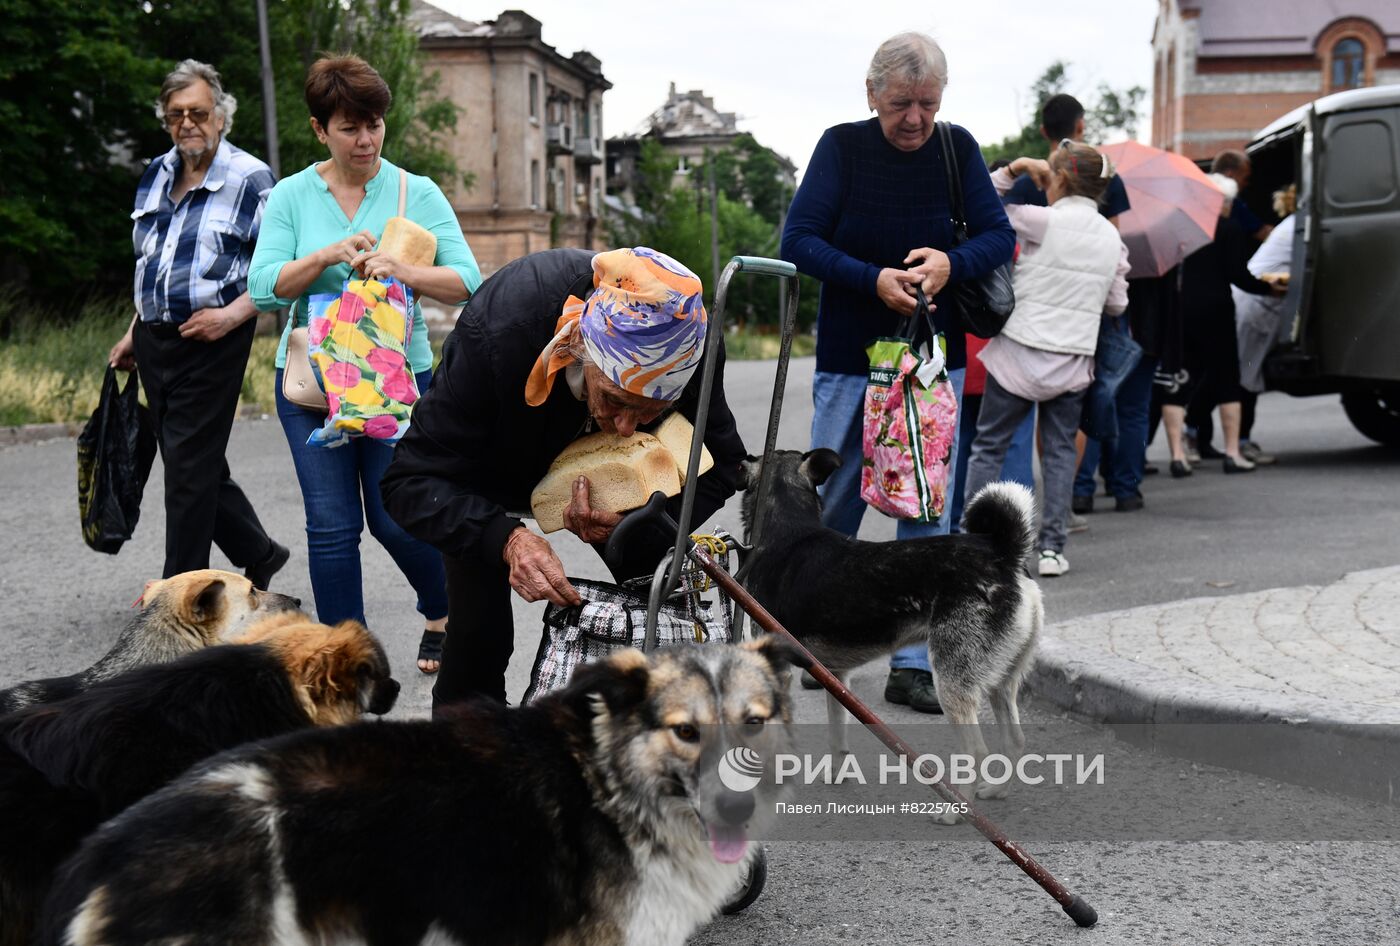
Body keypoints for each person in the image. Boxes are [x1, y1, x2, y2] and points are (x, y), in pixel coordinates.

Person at [380, 247, 745, 712]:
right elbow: (410, 478)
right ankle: (467, 747)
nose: (626, 426)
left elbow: (724, 464)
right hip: (492, 461)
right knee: (479, 636)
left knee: (663, 609)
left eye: (648, 411)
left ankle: (657, 731)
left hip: (619, 478)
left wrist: (639, 520)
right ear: (582, 350)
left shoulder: (688, 342)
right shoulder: (501, 329)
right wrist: (506, 539)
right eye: (615, 399)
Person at [780, 32, 1015, 713]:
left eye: (928, 104)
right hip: (852, 360)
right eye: (900, 104)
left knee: (928, 509)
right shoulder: (841, 147)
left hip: (932, 364)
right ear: (871, 95)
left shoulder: (957, 147)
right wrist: (871, 279)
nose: (915, 119)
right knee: (833, 501)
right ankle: (822, 640)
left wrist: (950, 262)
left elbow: (997, 236)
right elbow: (798, 241)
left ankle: (914, 664)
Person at [247, 56, 481, 674]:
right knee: (330, 526)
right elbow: (264, 288)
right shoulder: (292, 195)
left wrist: (402, 268)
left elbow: (468, 282)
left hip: (397, 383)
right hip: (314, 385)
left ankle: (443, 607)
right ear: (319, 129)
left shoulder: (415, 192)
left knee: (396, 517)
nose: (366, 139)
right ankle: (346, 662)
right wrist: (325, 255)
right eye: (349, 127)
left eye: (374, 124)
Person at [107, 60, 288, 588]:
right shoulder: (155, 173)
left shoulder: (252, 179)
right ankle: (259, 551)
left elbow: (282, 270)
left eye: (199, 113)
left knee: (187, 470)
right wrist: (134, 330)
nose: (187, 123)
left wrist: (231, 316)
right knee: (190, 460)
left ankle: (178, 596)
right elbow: (152, 263)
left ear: (221, 116)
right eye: (176, 114)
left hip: (216, 340)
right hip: (154, 340)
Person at [962, 141, 1130, 578]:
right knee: (1058, 454)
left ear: (1058, 178)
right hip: (1072, 361)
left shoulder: (1039, 220)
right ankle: (1052, 549)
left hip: (1018, 353)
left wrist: (1014, 169)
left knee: (988, 446)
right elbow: (1117, 303)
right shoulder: (1112, 238)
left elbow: (979, 203)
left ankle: (973, 543)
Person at [1160, 174, 1282, 478]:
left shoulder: (1178, 229)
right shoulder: (1227, 228)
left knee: (1180, 379)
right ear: (1221, 201)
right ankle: (1232, 453)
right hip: (1217, 310)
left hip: (1181, 311)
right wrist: (1269, 289)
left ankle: (1178, 456)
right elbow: (1239, 275)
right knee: (1227, 378)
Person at [1233, 185, 1298, 445]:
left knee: (1246, 374)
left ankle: (1235, 439)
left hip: (1257, 305)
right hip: (1257, 307)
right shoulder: (1297, 229)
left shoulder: (1290, 225)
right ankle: (1240, 441)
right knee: (1246, 376)